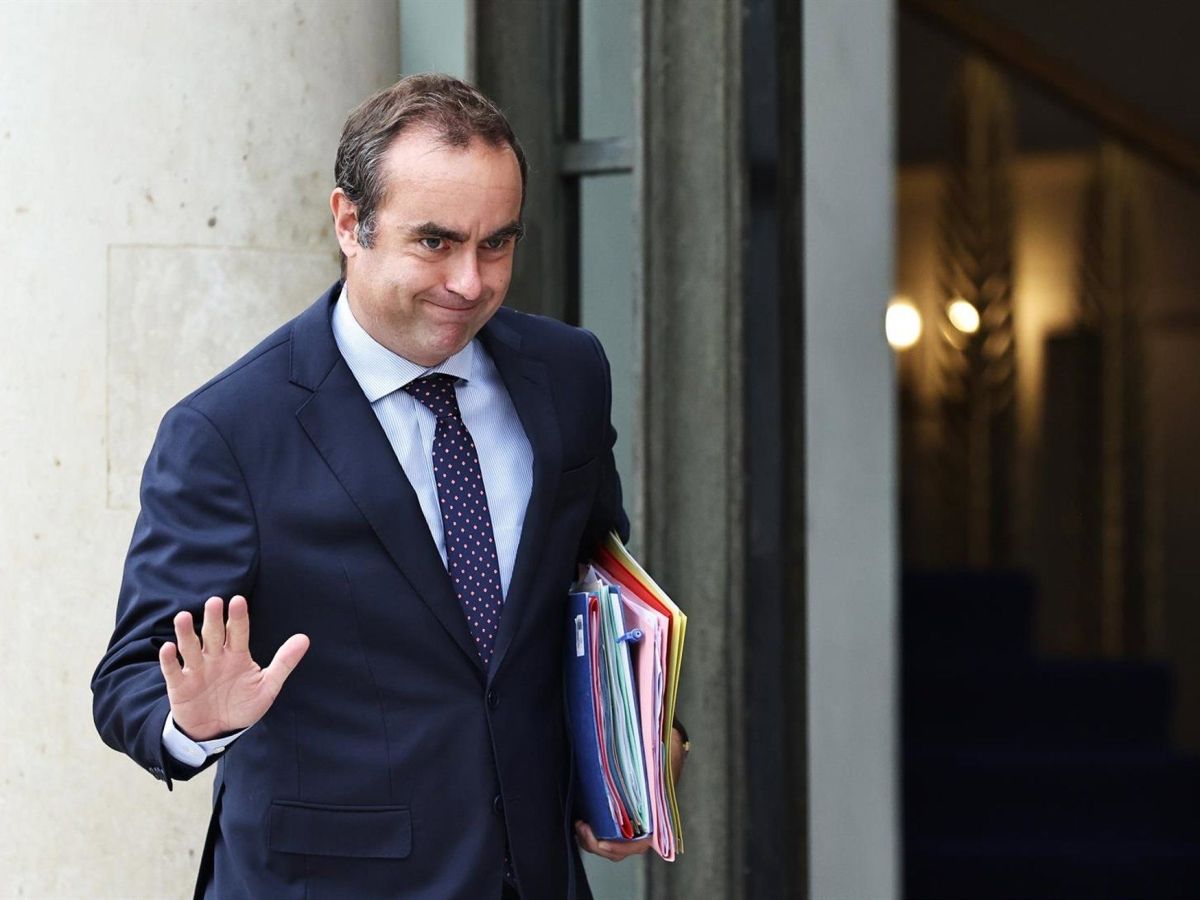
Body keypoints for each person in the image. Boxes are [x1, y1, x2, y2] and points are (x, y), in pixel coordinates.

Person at [91, 73, 683, 900]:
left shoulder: (568, 373)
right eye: (435, 242)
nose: (471, 282)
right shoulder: (227, 433)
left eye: (497, 243)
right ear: (349, 223)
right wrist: (192, 722)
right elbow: (128, 679)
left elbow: (600, 581)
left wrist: (641, 735)